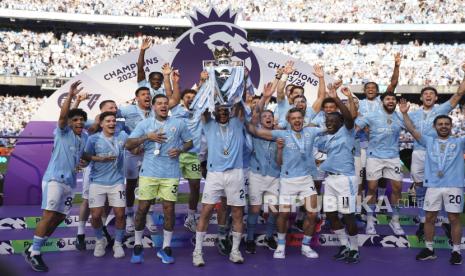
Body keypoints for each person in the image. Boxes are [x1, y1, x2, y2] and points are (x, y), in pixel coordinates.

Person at [24, 81, 88, 272]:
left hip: (69, 182)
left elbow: (82, 155)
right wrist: (71, 96)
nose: (78, 122)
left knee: (59, 217)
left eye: (80, 120)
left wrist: (89, 160)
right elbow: (63, 117)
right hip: (54, 179)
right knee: (49, 214)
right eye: (74, 120)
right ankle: (35, 253)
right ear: (70, 122)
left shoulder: (83, 137)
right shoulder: (62, 132)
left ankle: (32, 248)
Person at [246, 107, 324, 259]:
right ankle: (281, 245)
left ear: (303, 119)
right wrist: (241, 119)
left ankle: (306, 246)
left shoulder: (311, 131)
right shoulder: (281, 134)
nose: (297, 120)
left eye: (299, 118)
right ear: (288, 121)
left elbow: (331, 127)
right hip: (287, 180)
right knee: (283, 213)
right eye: (293, 118)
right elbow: (257, 132)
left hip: (306, 178)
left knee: (312, 213)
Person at [125, 94, 192, 264]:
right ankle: (138, 244)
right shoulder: (145, 124)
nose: (163, 106)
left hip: (170, 174)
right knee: (142, 209)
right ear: (153, 107)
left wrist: (180, 149)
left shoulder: (178, 123)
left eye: (165, 103)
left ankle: (166, 247)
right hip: (149, 173)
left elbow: (190, 142)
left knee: (169, 210)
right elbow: (128, 144)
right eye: (159, 103)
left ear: (168, 107)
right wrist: (148, 137)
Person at [400, 94, 465, 265]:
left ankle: (456, 251)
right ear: (435, 126)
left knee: (454, 219)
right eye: (440, 124)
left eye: (446, 124)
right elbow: (412, 130)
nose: (443, 126)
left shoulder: (460, 142)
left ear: (452, 126)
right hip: (433, 187)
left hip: (454, 186)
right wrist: (405, 114)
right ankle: (429, 249)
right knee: (429, 218)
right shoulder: (428, 141)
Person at [408, 79, 465, 239]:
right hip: (419, 152)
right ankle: (423, 218)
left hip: (438, 152)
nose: (428, 95)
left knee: (440, 185)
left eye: (431, 93)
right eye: (425, 93)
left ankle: (447, 219)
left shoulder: (442, 109)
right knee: (420, 186)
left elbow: (459, 93)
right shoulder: (411, 114)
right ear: (421, 98)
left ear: (436, 97)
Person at [192, 103, 246, 266]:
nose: (222, 113)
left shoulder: (237, 122)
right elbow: (203, 107)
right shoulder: (208, 124)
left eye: (225, 111)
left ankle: (235, 251)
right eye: (219, 111)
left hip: (235, 172)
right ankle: (198, 252)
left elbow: (240, 103)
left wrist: (241, 80)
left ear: (230, 112)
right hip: (214, 174)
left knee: (237, 212)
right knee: (206, 211)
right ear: (214, 112)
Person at [316, 87, 360, 264]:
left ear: (341, 122)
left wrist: (337, 98)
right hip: (330, 179)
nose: (329, 121)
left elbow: (349, 117)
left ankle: (355, 249)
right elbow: (317, 154)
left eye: (333, 119)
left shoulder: (347, 131)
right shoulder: (324, 138)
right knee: (331, 214)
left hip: (344, 179)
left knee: (348, 215)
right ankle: (344, 245)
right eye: (327, 119)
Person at [75, 99, 124, 251]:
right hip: (93, 168)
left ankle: (102, 229)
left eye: (116, 107)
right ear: (101, 110)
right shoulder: (92, 122)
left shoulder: (119, 125)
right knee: (87, 199)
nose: (115, 109)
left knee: (110, 202)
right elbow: (73, 118)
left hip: (114, 173)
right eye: (111, 107)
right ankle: (80, 233)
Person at [355, 91, 406, 235]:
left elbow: (412, 128)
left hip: (393, 157)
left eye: (393, 99)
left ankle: (395, 220)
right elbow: (355, 128)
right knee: (371, 188)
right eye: (388, 99)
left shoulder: (400, 116)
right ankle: (370, 221)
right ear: (382, 101)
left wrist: (405, 114)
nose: (391, 101)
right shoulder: (372, 115)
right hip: (374, 156)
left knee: (397, 188)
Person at [83, 112, 128, 258]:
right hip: (97, 182)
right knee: (95, 216)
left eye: (114, 121)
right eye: (108, 121)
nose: (112, 123)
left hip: (117, 182)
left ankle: (118, 243)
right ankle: (99, 240)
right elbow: (86, 156)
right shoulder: (93, 139)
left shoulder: (121, 136)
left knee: (120, 215)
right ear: (101, 124)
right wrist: (98, 159)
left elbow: (133, 146)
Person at [245, 83, 280, 254]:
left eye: (270, 116)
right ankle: (250, 238)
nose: (267, 117)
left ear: (274, 120)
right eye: (264, 115)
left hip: (275, 176)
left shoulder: (281, 135)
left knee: (274, 208)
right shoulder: (255, 130)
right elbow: (254, 115)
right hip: (256, 175)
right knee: (255, 208)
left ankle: (268, 236)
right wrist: (265, 97)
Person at [119, 87, 155, 233]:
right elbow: (110, 116)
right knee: (131, 184)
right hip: (132, 152)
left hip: (150, 152)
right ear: (137, 98)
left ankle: (149, 215)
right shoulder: (128, 110)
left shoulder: (155, 110)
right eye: (143, 94)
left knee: (149, 183)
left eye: (148, 94)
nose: (147, 96)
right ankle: (129, 215)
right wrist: (126, 139)